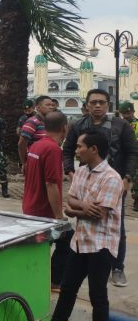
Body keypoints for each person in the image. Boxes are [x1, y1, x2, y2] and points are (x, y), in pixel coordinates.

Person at [37, 129, 123, 321]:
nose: (76, 151)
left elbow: (100, 214)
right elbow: (69, 206)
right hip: (80, 242)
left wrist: (78, 208)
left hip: (101, 245)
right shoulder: (81, 172)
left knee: (97, 295)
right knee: (67, 289)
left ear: (93, 150)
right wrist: (84, 207)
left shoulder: (112, 178)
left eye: (79, 147)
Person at [62, 89, 138, 288]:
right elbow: (68, 150)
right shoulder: (78, 125)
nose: (98, 106)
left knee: (115, 225)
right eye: (93, 102)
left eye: (102, 102)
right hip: (87, 181)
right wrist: (70, 172)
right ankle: (87, 258)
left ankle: (117, 267)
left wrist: (127, 179)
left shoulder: (121, 126)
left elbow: (132, 153)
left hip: (114, 183)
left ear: (108, 105)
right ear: (87, 105)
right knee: (84, 219)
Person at [22, 110, 72, 290]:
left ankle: (39, 278)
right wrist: (59, 217)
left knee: (40, 248)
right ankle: (53, 281)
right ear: (64, 128)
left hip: (30, 206)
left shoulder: (35, 146)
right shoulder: (53, 149)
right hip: (43, 211)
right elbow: (51, 184)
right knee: (66, 239)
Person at [18, 95, 55, 170]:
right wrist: (24, 162)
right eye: (47, 105)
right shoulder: (32, 122)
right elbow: (21, 144)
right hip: (35, 163)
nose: (51, 107)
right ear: (38, 107)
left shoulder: (50, 122)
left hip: (48, 162)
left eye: (52, 105)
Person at [118, 101, 138, 212]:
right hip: (121, 156)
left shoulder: (136, 124)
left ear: (133, 112)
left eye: (127, 113)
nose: (125, 116)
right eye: (123, 113)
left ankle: (136, 200)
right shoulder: (119, 124)